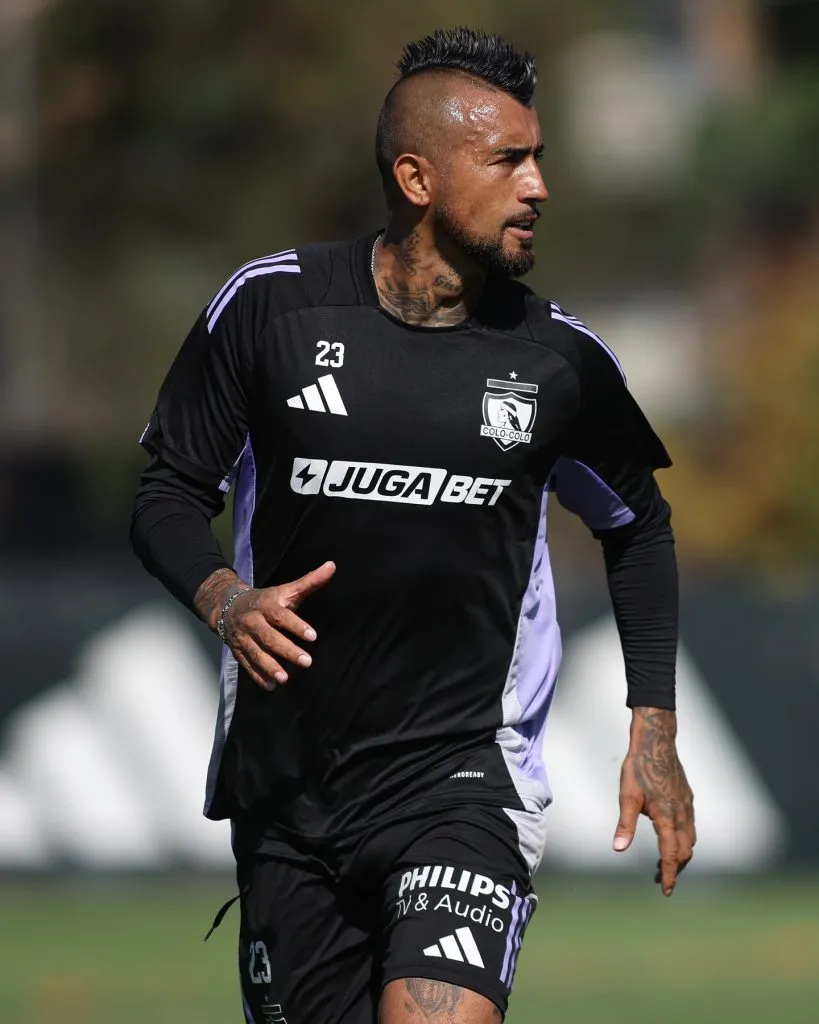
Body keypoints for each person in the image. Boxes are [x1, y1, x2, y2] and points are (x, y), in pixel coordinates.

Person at [131, 26, 695, 1024]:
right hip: (289, 789)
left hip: (463, 781)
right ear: (418, 177)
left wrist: (653, 726)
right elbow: (167, 494)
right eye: (509, 160)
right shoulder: (271, 311)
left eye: (541, 159)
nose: (538, 188)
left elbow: (638, 526)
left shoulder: (559, 361)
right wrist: (225, 601)